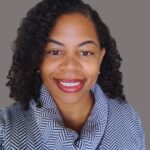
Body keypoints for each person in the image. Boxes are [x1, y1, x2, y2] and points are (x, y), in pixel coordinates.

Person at [0, 0, 146, 149]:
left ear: (100, 58)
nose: (70, 66)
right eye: (55, 52)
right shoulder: (5, 129)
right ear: (37, 59)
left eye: (85, 52)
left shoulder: (129, 120)